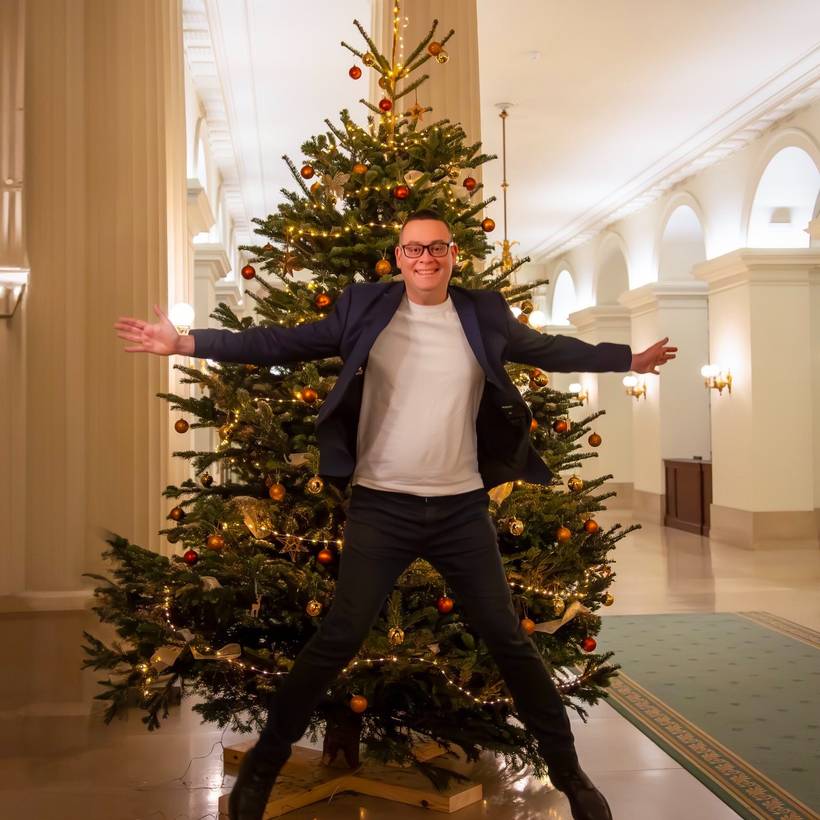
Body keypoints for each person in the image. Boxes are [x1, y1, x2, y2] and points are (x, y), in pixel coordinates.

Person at [115, 210, 676, 820]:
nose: (426, 258)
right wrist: (187, 342)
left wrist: (627, 359)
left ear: (453, 254)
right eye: (414, 248)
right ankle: (260, 774)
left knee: (511, 643)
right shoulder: (364, 307)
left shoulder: (482, 313)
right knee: (335, 640)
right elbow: (282, 340)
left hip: (461, 509)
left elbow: (549, 348)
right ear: (398, 255)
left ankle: (573, 779)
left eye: (437, 247)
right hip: (383, 506)